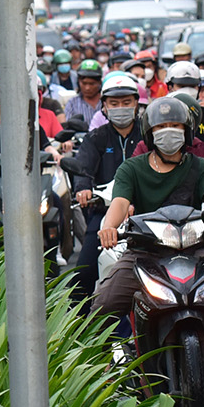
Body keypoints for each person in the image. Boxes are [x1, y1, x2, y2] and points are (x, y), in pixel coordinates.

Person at [92, 95, 204, 324]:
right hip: (145, 252)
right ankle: (99, 359)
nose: (169, 131)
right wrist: (109, 227)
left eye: (176, 126)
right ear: (150, 132)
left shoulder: (202, 166)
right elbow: (119, 203)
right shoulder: (131, 168)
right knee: (102, 306)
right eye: (161, 126)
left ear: (187, 131)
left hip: (195, 249)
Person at [68, 74, 150, 300]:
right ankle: (78, 327)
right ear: (104, 106)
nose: (120, 108)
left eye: (126, 102)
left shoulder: (149, 135)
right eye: (114, 103)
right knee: (83, 272)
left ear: (137, 104)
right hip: (104, 212)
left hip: (146, 212)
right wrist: (83, 188)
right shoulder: (96, 137)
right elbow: (83, 169)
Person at [64, 60, 106, 129]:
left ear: (100, 83)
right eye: (84, 83)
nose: (87, 88)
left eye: (92, 84)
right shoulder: (72, 104)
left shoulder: (106, 102)